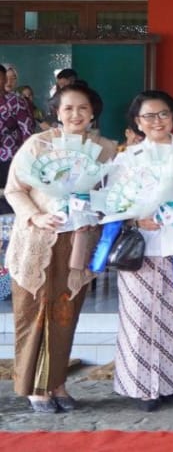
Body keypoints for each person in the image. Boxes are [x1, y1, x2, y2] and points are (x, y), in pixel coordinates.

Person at [5, 82, 114, 412]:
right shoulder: (38, 144)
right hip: (37, 242)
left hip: (78, 241)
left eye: (83, 108)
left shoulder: (105, 149)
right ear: (57, 112)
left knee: (66, 314)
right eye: (68, 108)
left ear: (93, 112)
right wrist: (35, 216)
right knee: (34, 312)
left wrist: (98, 213)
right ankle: (34, 387)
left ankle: (57, 382)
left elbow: (113, 194)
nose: (75, 114)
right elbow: (14, 189)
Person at [112, 90, 173, 411]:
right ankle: (143, 387)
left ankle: (171, 382)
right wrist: (136, 219)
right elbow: (114, 203)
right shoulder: (127, 158)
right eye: (148, 116)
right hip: (143, 247)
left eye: (163, 114)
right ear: (137, 122)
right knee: (140, 316)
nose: (157, 121)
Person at [0, 63, 37, 201]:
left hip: (9, 154)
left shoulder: (16, 101)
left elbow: (27, 129)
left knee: (9, 195)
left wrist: (26, 157)